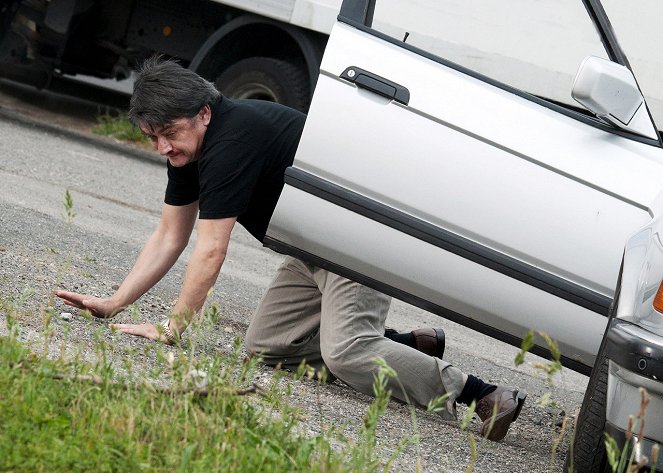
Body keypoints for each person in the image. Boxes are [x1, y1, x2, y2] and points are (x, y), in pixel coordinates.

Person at [55, 57, 525, 441]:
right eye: (151, 137)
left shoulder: (232, 139)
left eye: (169, 133)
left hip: (353, 241)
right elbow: (169, 236)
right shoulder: (190, 149)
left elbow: (211, 248)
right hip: (310, 249)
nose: (162, 147)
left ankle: (479, 394)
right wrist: (114, 304)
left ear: (203, 112)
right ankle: (402, 345)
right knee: (265, 348)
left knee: (345, 354)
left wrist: (174, 327)